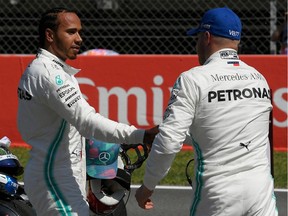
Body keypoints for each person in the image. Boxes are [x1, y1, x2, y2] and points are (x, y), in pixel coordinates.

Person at [135, 7, 278, 216]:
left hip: (218, 194)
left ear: (206, 37)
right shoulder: (259, 78)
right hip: (261, 191)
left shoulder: (192, 79)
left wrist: (147, 186)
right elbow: (253, 136)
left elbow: (168, 142)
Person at [17, 7, 158, 216]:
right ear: (49, 35)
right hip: (54, 180)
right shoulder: (49, 74)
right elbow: (87, 121)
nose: (79, 39)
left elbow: (75, 126)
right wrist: (140, 135)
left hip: (57, 176)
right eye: (71, 32)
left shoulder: (47, 69)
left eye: (79, 32)